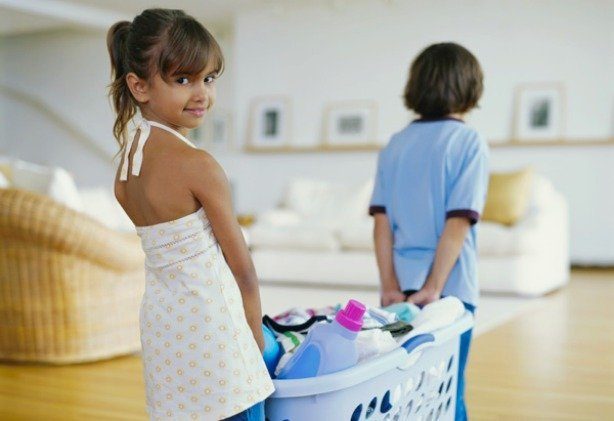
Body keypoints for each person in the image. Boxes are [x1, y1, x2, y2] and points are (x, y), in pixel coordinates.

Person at [107, 9, 273, 420]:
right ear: (139, 86)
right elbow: (243, 270)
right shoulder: (197, 164)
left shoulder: (128, 163)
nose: (201, 93)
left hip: (166, 326)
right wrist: (254, 338)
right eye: (183, 80)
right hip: (214, 327)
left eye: (209, 78)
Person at [369, 42, 489, 420]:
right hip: (449, 288)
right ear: (470, 87)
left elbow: (382, 223)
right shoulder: (468, 141)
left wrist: (389, 284)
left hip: (399, 289)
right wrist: (435, 286)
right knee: (449, 389)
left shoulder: (396, 144)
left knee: (400, 386)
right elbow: (458, 221)